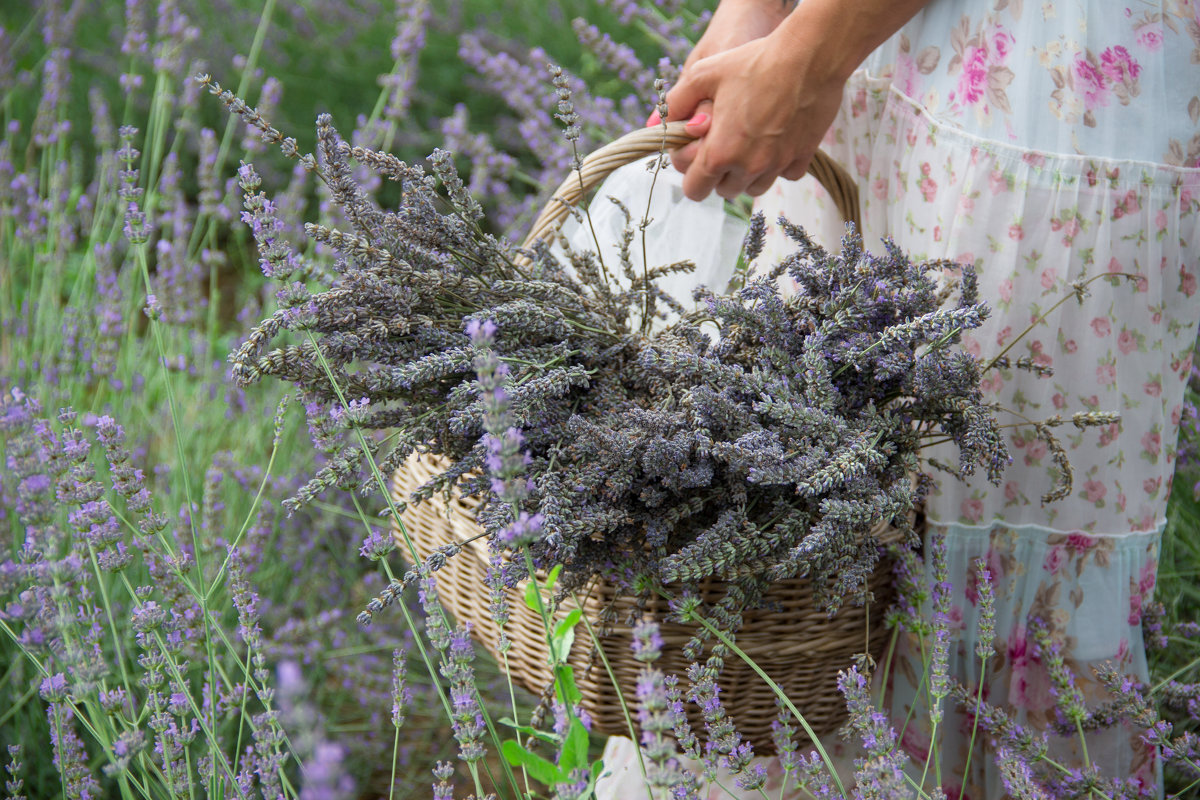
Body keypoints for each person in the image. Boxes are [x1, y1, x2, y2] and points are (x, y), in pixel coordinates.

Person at [596, 0, 1200, 797]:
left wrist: (805, 57)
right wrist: (761, 16)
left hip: (1036, 90)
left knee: (973, 522)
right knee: (800, 497)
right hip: (855, 56)